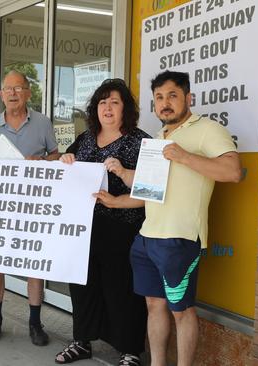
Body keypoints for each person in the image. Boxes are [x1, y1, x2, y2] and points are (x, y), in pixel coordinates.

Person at [95, 70, 242, 366]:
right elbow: (150, 192)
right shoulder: (160, 137)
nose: (165, 103)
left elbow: (233, 172)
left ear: (188, 98)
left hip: (180, 239)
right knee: (154, 306)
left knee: (182, 311)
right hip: (147, 237)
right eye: (159, 98)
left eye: (172, 95)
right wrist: (117, 196)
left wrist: (185, 156)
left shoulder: (207, 130)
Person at [55, 78, 148, 366]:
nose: (107, 107)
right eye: (102, 102)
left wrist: (122, 177)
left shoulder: (141, 141)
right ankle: (81, 341)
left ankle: (130, 350)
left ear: (126, 109)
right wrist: (65, 158)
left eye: (115, 102)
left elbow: (153, 188)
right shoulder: (84, 138)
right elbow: (64, 164)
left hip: (123, 227)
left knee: (121, 289)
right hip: (83, 228)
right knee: (83, 286)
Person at [0, 70, 60, 346]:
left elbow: (56, 154)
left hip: (33, 204)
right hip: (0, 204)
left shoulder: (43, 123)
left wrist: (42, 160)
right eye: (7, 89)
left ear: (28, 93)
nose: (12, 93)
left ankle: (35, 322)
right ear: (1, 94)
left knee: (34, 264)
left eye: (18, 88)